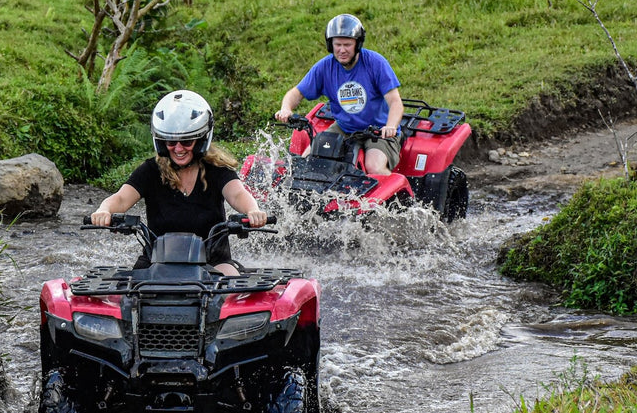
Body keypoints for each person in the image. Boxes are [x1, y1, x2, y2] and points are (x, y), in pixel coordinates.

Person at [91, 90, 268, 277]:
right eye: (170, 142)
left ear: (201, 139)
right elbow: (120, 198)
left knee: (232, 287)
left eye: (187, 142)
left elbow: (237, 194)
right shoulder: (151, 171)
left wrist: (252, 210)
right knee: (129, 295)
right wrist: (104, 210)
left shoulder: (217, 169)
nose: (178, 148)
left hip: (212, 260)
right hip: (156, 260)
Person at [274, 14, 404, 176]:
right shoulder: (324, 67)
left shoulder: (376, 63)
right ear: (331, 45)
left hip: (379, 131)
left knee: (374, 167)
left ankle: (394, 200)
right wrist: (286, 108)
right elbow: (296, 93)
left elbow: (395, 102)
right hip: (344, 127)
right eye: (338, 45)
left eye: (347, 45)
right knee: (308, 160)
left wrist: (390, 126)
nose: (342, 50)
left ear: (358, 44)